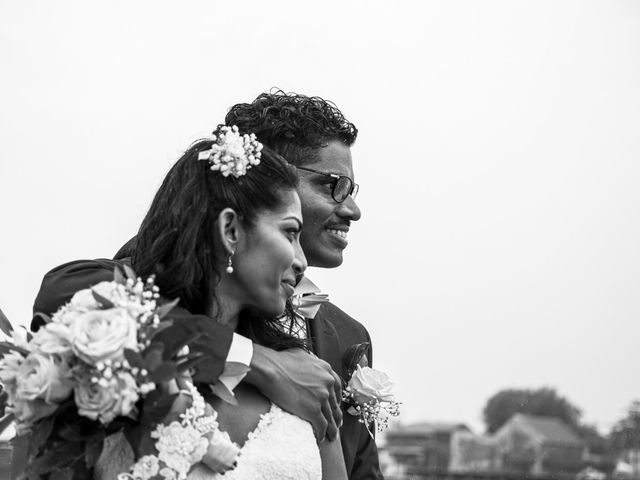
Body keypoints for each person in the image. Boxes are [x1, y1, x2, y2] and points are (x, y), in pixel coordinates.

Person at [103, 128, 347, 479]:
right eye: (290, 233)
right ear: (231, 230)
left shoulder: (309, 381)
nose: (301, 261)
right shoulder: (109, 364)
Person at [224, 90, 383, 480]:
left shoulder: (350, 337)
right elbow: (71, 296)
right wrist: (261, 362)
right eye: (334, 186)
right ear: (266, 179)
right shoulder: (168, 282)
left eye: (352, 191)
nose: (353, 210)